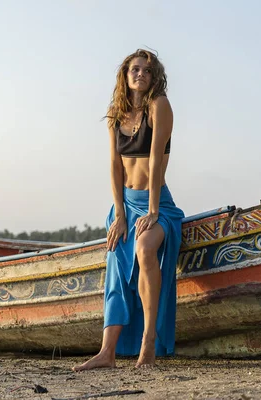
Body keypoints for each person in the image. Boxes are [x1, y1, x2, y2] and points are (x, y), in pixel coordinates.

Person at [73, 49, 184, 371]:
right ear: (125, 74)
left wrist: (151, 211)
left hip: (157, 203)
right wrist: (119, 214)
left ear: (154, 77)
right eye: (135, 69)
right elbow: (113, 164)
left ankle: (148, 343)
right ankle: (106, 352)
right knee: (117, 275)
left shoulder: (158, 106)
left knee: (145, 249)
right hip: (123, 205)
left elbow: (157, 158)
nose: (140, 75)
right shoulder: (115, 113)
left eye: (147, 71)